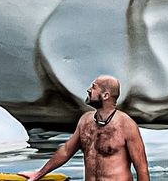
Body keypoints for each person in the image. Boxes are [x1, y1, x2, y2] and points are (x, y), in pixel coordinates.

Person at [18, 75, 149, 181]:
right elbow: (66, 151)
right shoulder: (85, 120)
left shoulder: (126, 124)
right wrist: (39, 173)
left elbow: (141, 168)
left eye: (94, 87)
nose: (88, 90)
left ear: (105, 95)